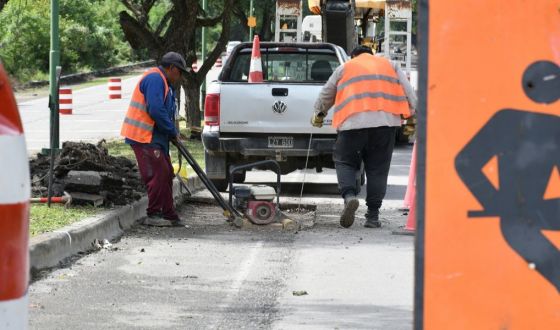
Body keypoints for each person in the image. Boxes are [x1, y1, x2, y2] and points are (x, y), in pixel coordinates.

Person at [311, 45, 417, 228]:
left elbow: (326, 93)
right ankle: (373, 216)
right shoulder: (391, 65)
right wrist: (414, 114)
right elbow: (409, 92)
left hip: (352, 124)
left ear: (354, 56)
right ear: (371, 54)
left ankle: (350, 196)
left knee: (344, 161)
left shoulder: (346, 67)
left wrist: (319, 113)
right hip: (385, 124)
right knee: (377, 169)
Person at [121, 51, 189, 227]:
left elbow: (165, 111)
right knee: (157, 174)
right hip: (144, 137)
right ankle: (154, 214)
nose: (180, 76)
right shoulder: (155, 79)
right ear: (172, 68)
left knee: (166, 173)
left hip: (155, 136)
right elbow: (156, 110)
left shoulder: (165, 83)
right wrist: (171, 131)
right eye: (180, 72)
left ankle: (168, 214)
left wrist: (172, 132)